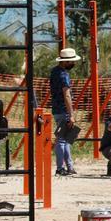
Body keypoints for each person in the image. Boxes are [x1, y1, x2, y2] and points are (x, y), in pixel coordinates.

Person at [49, 47, 81, 176]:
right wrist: (71, 114)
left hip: (57, 109)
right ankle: (60, 167)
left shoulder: (54, 72)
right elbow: (67, 95)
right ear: (66, 62)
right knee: (62, 140)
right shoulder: (64, 75)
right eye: (71, 61)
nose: (73, 64)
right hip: (64, 110)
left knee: (65, 139)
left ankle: (69, 166)